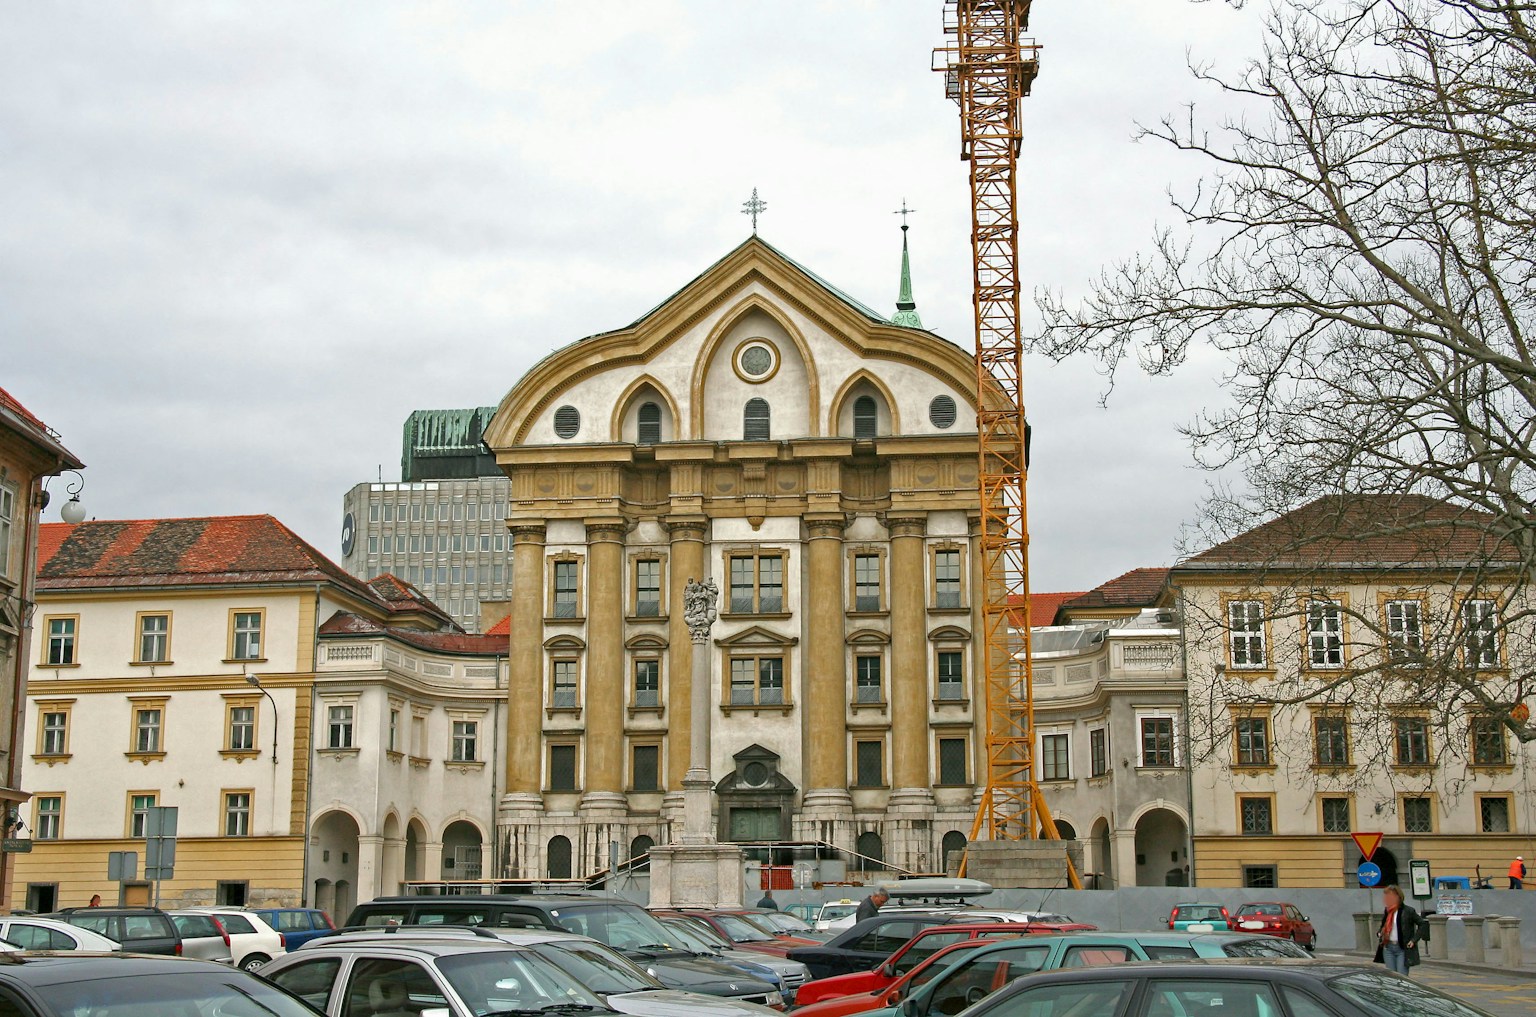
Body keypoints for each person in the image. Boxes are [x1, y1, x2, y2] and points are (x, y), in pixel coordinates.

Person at [1373, 884, 1423, 976]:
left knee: (1401, 976)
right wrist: (1380, 933)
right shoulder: (1387, 910)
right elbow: (1383, 925)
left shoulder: (1408, 911)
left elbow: (1422, 924)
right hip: (1388, 948)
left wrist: (1414, 940)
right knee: (1391, 978)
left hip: (1402, 948)